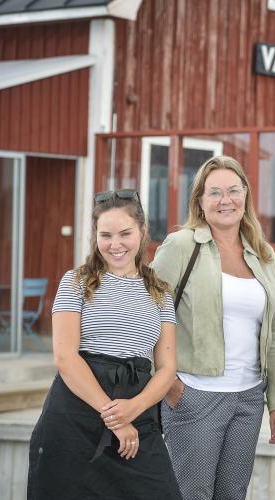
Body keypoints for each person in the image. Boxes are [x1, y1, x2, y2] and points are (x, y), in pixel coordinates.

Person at [151, 155, 275, 500]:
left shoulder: (263, 254)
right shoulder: (181, 246)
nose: (225, 200)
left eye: (233, 190)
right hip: (194, 396)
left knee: (232, 494)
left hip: (248, 398)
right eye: (214, 193)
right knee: (192, 494)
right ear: (199, 200)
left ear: (245, 195)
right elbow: (147, 314)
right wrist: (168, 383)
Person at [27, 189, 182, 499]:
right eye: (106, 235)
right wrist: (115, 418)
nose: (115, 244)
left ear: (142, 231)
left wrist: (133, 410)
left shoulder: (161, 293)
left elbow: (166, 368)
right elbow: (65, 359)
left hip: (139, 415)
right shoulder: (75, 282)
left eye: (125, 233)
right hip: (75, 418)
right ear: (94, 236)